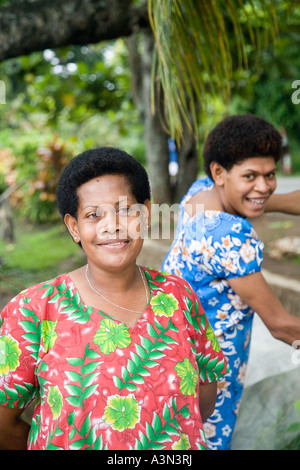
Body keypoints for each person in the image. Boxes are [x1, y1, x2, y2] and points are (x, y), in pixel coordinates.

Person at [0, 147, 228, 450]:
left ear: (145, 214)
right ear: (74, 227)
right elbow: (4, 422)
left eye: (125, 210)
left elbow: (202, 399)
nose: (113, 225)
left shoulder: (178, 295)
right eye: (93, 215)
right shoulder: (34, 310)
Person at [162, 114, 300, 450]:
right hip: (210, 369)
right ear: (219, 173)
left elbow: (280, 200)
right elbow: (282, 326)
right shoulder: (229, 236)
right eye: (250, 176)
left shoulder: (200, 194)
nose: (264, 187)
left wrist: (259, 193)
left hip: (173, 351)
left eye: (269, 176)